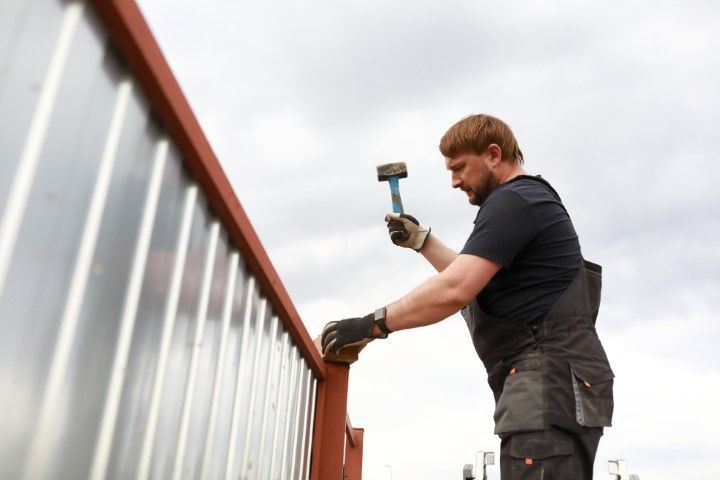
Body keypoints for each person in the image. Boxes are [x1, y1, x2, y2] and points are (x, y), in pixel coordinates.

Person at [321, 114, 614, 479]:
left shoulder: (516, 201)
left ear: (493, 154)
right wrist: (422, 241)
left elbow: (455, 289)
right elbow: (474, 281)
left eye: (459, 168)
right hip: (554, 388)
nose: (455, 181)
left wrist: (372, 324)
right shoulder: (529, 201)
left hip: (546, 385)